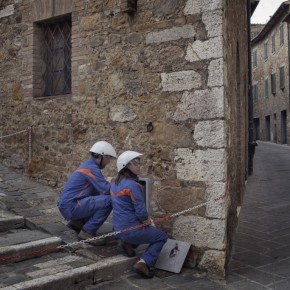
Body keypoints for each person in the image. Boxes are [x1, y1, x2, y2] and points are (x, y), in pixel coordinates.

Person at [110, 151, 168, 278]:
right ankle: (144, 263)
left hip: (117, 229)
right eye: (135, 163)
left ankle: (128, 244)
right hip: (130, 229)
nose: (139, 166)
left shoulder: (114, 183)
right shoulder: (133, 185)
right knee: (161, 237)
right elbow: (141, 212)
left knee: (141, 232)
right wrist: (147, 220)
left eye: (139, 163)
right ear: (126, 166)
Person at [57, 141, 117, 246]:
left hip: (68, 205)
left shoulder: (88, 165)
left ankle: (77, 222)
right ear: (100, 156)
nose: (108, 162)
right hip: (71, 207)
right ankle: (87, 232)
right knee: (109, 200)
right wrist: (123, 187)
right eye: (108, 158)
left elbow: (100, 189)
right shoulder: (92, 168)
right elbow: (107, 189)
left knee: (98, 194)